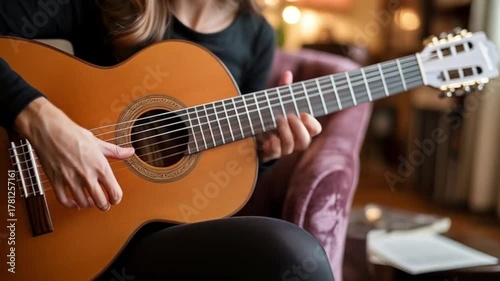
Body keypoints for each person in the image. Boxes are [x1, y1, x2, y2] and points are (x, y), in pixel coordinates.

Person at [0, 1, 334, 280]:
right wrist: (41, 120)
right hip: (64, 238)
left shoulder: (257, 34)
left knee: (295, 254)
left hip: (154, 243)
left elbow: (222, 186)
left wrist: (264, 152)